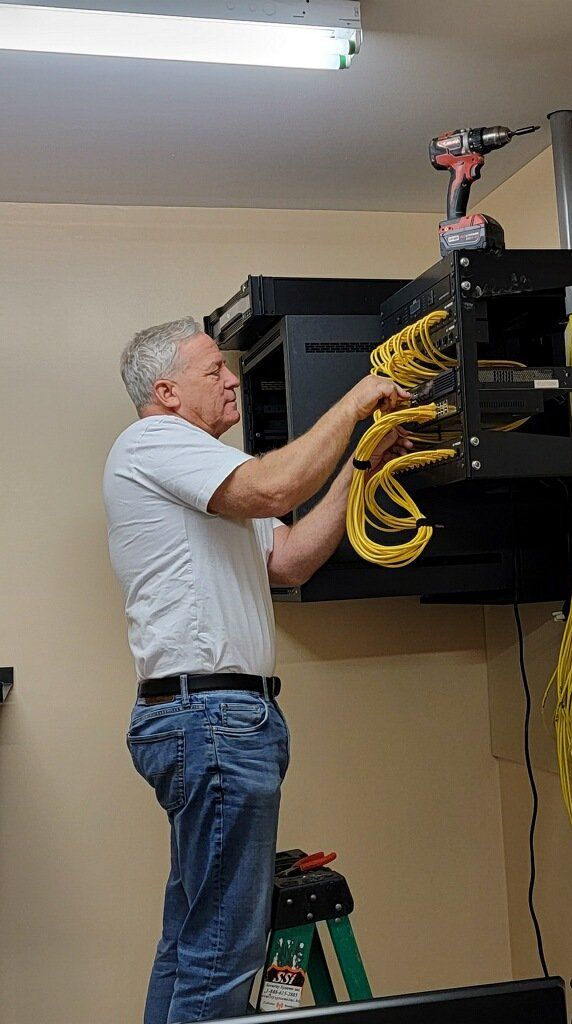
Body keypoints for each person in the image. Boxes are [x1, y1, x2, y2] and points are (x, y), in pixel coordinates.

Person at [102, 316, 408, 1024]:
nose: (233, 378)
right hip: (210, 721)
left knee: (192, 947)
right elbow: (273, 490)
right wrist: (359, 400)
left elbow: (290, 557)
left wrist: (360, 463)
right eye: (215, 371)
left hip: (221, 721)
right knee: (220, 958)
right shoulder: (157, 442)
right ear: (167, 392)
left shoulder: (204, 470)